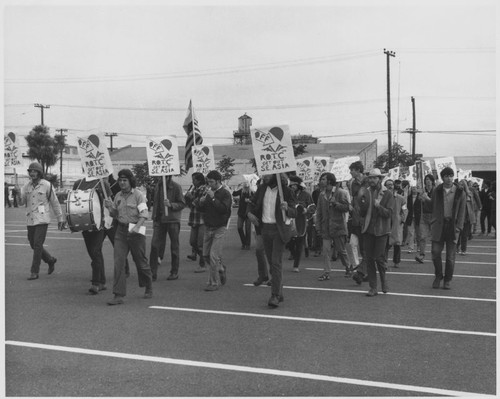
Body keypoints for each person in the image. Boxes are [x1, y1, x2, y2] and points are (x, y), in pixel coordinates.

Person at [104, 169, 153, 305]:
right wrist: (109, 208)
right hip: (121, 230)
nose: (122, 183)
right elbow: (114, 214)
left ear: (130, 181)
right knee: (118, 262)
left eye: (124, 180)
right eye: (120, 180)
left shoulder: (138, 195)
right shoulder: (118, 196)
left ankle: (148, 285)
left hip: (136, 229)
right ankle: (118, 295)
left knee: (140, 261)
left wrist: (137, 227)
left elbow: (144, 213)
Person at [247, 173, 296, 308]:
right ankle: (279, 292)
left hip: (279, 230)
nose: (265, 176)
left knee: (275, 263)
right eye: (263, 173)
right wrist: (249, 213)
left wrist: (288, 208)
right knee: (271, 262)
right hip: (264, 229)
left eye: (268, 173)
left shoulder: (286, 191)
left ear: (276, 173)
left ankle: (274, 295)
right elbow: (251, 203)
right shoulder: (262, 188)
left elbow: (294, 211)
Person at [21, 162, 65, 280]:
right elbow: (22, 202)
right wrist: (22, 192)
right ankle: (50, 260)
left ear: (40, 173)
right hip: (30, 219)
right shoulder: (26, 186)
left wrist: (60, 218)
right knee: (32, 244)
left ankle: (34, 271)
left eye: (35, 171)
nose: (32, 173)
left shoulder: (47, 185)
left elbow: (55, 203)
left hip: (42, 219)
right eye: (31, 171)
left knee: (37, 244)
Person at [72, 176, 114, 294]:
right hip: (85, 223)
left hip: (99, 223)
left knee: (95, 251)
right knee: (94, 253)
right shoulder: (78, 183)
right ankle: (102, 281)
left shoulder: (103, 184)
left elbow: (110, 203)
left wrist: (109, 209)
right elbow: (74, 203)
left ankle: (95, 283)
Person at [194, 170, 232, 292]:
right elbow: (201, 208)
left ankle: (213, 282)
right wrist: (200, 202)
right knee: (205, 255)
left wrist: (213, 198)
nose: (209, 184)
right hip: (208, 226)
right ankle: (220, 268)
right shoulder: (208, 193)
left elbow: (224, 209)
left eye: (211, 182)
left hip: (219, 227)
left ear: (218, 181)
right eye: (208, 181)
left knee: (213, 256)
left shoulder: (225, 193)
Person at [359, 168, 394, 296]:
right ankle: (373, 287)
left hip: (382, 231)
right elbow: (361, 212)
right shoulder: (365, 192)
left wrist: (379, 207)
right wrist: (361, 204)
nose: (372, 180)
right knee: (369, 259)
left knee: (379, 258)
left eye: (374, 177)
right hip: (368, 229)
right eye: (370, 177)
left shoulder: (387, 194)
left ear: (380, 179)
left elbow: (389, 213)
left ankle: (384, 281)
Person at [430, 167, 465, 290]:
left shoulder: (460, 191)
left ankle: (447, 279)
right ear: (442, 177)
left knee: (450, 257)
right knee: (435, 253)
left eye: (451, 175)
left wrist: (459, 227)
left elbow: (462, 211)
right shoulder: (437, 190)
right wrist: (424, 198)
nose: (449, 178)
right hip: (438, 225)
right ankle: (438, 276)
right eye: (446, 176)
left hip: (452, 226)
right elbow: (431, 206)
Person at [315, 172, 352, 281]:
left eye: (323, 179)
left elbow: (347, 207)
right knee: (326, 251)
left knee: (341, 250)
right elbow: (319, 212)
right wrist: (318, 226)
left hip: (337, 226)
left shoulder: (340, 193)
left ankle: (348, 267)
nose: (321, 181)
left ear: (329, 181)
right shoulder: (321, 195)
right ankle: (327, 272)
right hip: (325, 227)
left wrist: (336, 204)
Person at [149, 175, 186, 281]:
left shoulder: (176, 187)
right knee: (154, 245)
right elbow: (156, 204)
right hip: (159, 220)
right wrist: (154, 218)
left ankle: (174, 271)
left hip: (172, 220)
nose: (161, 177)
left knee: (174, 247)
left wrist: (171, 205)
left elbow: (182, 203)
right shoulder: (158, 186)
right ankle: (152, 272)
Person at [348, 160, 368, 285]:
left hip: (367, 218)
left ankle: (361, 272)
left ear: (358, 170)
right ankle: (363, 270)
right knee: (358, 246)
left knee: (366, 248)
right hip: (356, 218)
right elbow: (353, 198)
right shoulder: (352, 183)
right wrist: (350, 206)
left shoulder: (368, 181)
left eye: (352, 170)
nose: (350, 172)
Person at [287, 175, 313, 273]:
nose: (292, 187)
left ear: (298, 185)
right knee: (288, 242)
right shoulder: (287, 194)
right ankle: (292, 253)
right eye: (291, 185)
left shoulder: (306, 195)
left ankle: (296, 265)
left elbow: (313, 206)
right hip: (289, 221)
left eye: (294, 185)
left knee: (299, 244)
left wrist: (307, 210)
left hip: (301, 222)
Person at [184, 172, 208, 272]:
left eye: (194, 179)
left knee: (200, 243)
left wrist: (191, 198)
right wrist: (187, 198)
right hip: (194, 218)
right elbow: (190, 205)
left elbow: (199, 203)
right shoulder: (194, 189)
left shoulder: (204, 189)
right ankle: (205, 257)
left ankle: (202, 264)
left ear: (199, 180)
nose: (193, 182)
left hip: (202, 219)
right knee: (192, 242)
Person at [384, 179, 407, 268]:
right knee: (385, 243)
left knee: (397, 243)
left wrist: (402, 219)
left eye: (391, 184)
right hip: (385, 222)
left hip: (396, 222)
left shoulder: (400, 198)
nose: (390, 186)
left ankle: (396, 261)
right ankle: (384, 261)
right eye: (387, 185)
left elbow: (404, 209)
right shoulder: (382, 198)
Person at [415, 174, 435, 264]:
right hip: (424, 215)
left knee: (435, 237)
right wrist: (420, 198)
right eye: (426, 179)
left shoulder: (436, 190)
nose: (428, 181)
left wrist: (427, 198)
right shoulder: (422, 191)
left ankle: (435, 255)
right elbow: (417, 202)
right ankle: (421, 255)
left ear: (432, 181)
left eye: (429, 179)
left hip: (434, 216)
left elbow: (436, 203)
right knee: (422, 236)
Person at [232, 181, 253, 250]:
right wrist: (237, 187)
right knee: (239, 227)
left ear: (249, 186)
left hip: (248, 213)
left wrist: (249, 200)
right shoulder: (241, 191)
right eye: (245, 186)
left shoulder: (251, 192)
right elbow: (234, 194)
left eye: (247, 186)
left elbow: (254, 200)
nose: (246, 188)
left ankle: (247, 244)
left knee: (248, 229)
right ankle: (244, 242)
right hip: (241, 212)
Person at [457, 179, 474, 255]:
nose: (461, 186)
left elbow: (472, 203)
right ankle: (456, 247)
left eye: (463, 184)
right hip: (459, 217)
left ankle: (463, 249)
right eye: (460, 184)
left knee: (464, 235)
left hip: (467, 217)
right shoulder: (457, 193)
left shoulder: (469, 194)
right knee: (457, 234)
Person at [405, 186, 420, 253]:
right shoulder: (408, 197)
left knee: (418, 233)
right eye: (413, 188)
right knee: (411, 233)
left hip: (418, 217)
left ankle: (419, 247)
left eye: (415, 188)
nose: (414, 189)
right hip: (410, 217)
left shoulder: (420, 197)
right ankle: (411, 247)